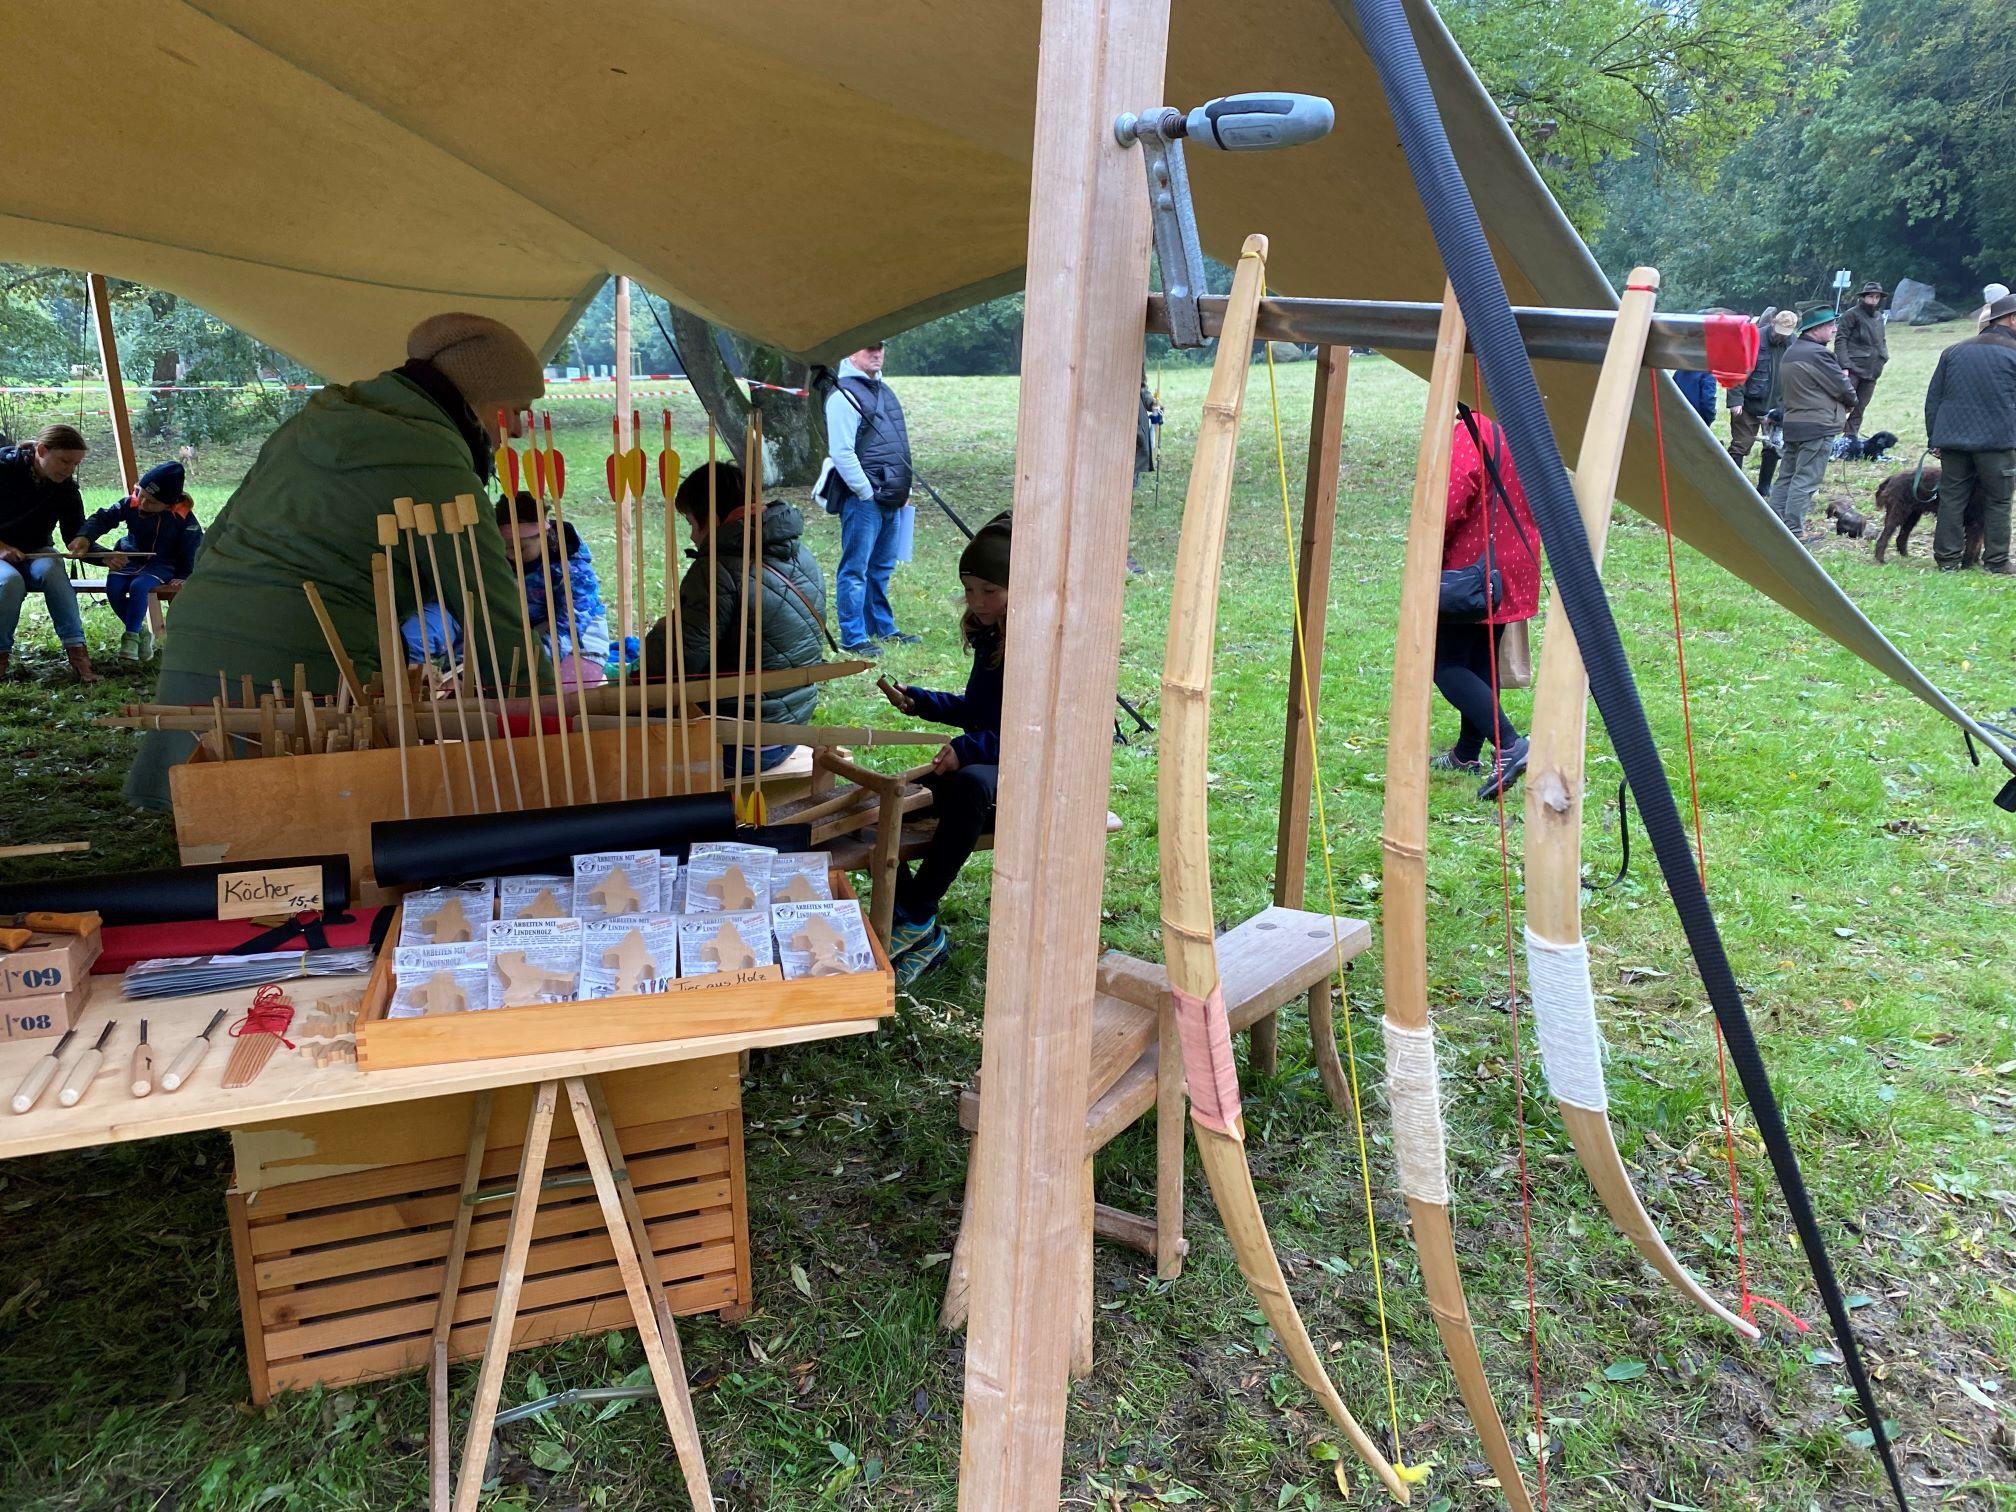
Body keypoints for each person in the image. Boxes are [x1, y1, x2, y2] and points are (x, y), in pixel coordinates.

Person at [124, 312, 548, 809]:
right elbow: (488, 603)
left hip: (201, 626)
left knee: (223, 823)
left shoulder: (319, 419)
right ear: (477, 398)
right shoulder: (431, 458)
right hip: (298, 653)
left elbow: (220, 530)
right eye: (516, 409)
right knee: (300, 825)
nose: (519, 429)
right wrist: (546, 720)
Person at [877, 511, 1009, 986]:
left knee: (970, 782)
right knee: (891, 802)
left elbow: (1032, 731)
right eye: (970, 590)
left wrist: (967, 750)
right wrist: (920, 702)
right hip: (993, 761)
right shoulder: (990, 633)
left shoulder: (1034, 641)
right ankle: (923, 934)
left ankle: (914, 912)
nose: (977, 601)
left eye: (989, 591)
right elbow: (980, 711)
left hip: (1036, 773)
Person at [642, 459, 828, 774]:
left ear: (713, 519)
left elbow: (669, 667)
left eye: (690, 523)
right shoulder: (798, 552)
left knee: (613, 750)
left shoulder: (719, 568)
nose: (691, 536)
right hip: (787, 731)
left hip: (739, 744)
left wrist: (661, 633)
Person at [1432, 412, 1541, 802]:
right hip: (1511, 560)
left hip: (1474, 564)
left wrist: (1427, 546)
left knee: (1445, 664)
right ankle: (1465, 755)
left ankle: (1510, 744)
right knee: (1479, 659)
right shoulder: (1527, 421)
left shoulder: (1475, 425)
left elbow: (1449, 499)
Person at [818, 343, 914, 655]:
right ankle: (854, 637)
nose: (877, 353)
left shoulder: (884, 390)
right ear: (850, 353)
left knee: (882, 567)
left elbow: (895, 443)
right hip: (865, 500)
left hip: (891, 497)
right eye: (869, 348)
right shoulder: (843, 396)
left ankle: (883, 628)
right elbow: (842, 453)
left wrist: (903, 489)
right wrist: (865, 491)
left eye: (881, 347)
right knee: (855, 570)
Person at [69, 460, 203, 663]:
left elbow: (192, 547)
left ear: (168, 503)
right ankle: (142, 633)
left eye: (151, 502)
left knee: (140, 586)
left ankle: (130, 637)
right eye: (141, 494)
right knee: (113, 589)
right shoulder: (130, 503)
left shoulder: (182, 517)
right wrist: (86, 537)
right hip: (129, 558)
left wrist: (185, 574)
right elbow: (103, 518)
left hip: (161, 563)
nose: (142, 503)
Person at [1923, 292, 2016, 575]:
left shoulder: (1953, 351)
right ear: (2012, 319)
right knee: (1998, 500)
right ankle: (1997, 561)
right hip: (1998, 443)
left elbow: (1933, 400)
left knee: (1952, 499)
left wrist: (1934, 439)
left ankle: (1947, 560)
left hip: (1952, 440)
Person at [0, 424, 98, 682]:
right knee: (10, 581)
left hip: (35, 550)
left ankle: (78, 656)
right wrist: (1, 548)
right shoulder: (4, 469)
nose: (69, 469)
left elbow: (74, 535)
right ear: (41, 450)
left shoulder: (65, 487)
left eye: (75, 464)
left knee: (53, 569)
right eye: (64, 461)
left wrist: (99, 553)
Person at [494, 491, 611, 685]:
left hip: (579, 643)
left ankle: (594, 681)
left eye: (521, 548)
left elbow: (571, 624)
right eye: (506, 548)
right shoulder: (500, 563)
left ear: (544, 535)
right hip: (526, 643)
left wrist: (536, 660)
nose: (512, 555)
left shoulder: (571, 568)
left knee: (551, 695)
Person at [1767, 308, 1856, 542]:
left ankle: (1773, 525)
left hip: (1794, 424)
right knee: (1805, 480)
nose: (1834, 329)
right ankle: (1795, 532)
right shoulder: (1818, 354)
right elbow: (1842, 386)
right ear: (1816, 330)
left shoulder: (1791, 352)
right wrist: (1851, 402)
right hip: (1817, 426)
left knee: (1786, 477)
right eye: (1830, 325)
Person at [1731, 308, 1796, 494]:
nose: (1779, 337)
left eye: (1784, 334)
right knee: (1740, 445)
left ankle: (1764, 486)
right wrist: (1736, 399)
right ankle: (1734, 486)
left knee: (1774, 447)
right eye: (1777, 332)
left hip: (1777, 406)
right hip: (1749, 404)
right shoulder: (1753, 338)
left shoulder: (1793, 343)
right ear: (1773, 323)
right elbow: (1737, 369)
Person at [1834, 281, 1890, 446]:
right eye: (1871, 296)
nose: (1874, 300)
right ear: (1864, 297)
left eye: (1877, 297)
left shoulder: (1879, 317)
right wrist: (1844, 366)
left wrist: (1884, 356)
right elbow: (1841, 339)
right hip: (1853, 367)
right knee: (1843, 403)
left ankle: (1850, 437)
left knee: (1861, 405)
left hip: (1873, 369)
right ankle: (1831, 434)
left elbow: (1881, 339)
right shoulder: (1851, 315)